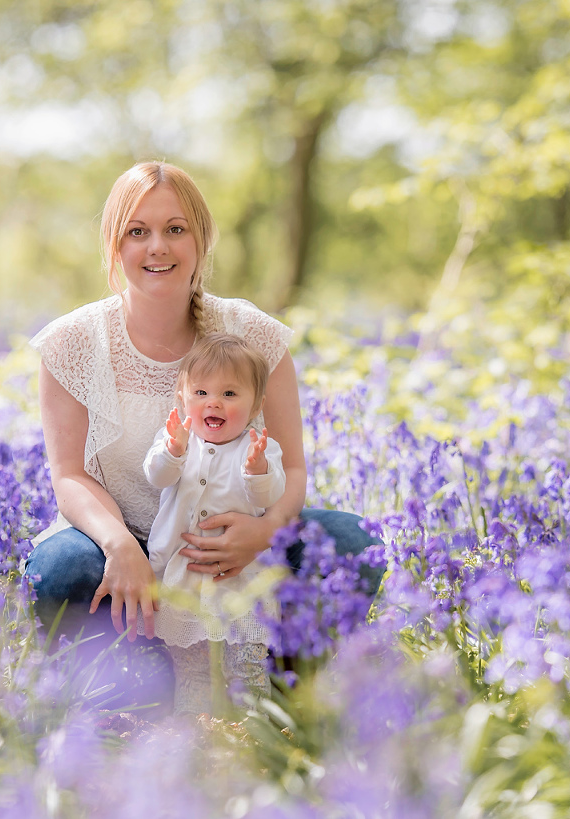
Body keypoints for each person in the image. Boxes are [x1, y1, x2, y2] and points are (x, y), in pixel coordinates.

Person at [23, 160, 379, 708]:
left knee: (354, 542)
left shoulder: (253, 334)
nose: (157, 247)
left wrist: (265, 533)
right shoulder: (73, 343)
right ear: (114, 245)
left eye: (175, 229)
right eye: (137, 232)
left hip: (235, 534)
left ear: (201, 239)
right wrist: (120, 545)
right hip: (124, 537)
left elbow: (296, 469)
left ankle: (290, 695)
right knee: (60, 569)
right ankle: (134, 698)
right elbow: (68, 475)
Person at [144, 333, 284, 714]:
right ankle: (197, 739)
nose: (214, 403)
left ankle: (253, 737)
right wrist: (172, 450)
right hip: (186, 579)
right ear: (182, 395)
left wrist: (258, 472)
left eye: (229, 394)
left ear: (256, 404)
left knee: (247, 669)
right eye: (202, 392)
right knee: (193, 672)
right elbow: (157, 475)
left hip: (240, 583)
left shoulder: (258, 448)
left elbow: (268, 497)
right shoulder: (176, 440)